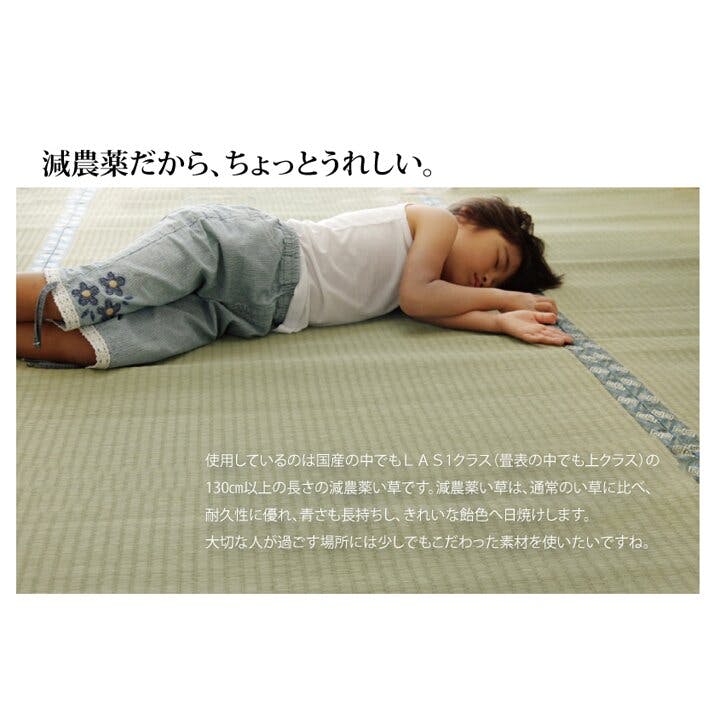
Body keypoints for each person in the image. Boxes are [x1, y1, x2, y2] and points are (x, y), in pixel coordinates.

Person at [16, 196, 573, 370]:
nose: (486, 277)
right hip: (246, 250)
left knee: (112, 346)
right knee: (99, 292)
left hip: (245, 316)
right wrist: (506, 298)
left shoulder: (429, 287)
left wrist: (501, 322)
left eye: (498, 278)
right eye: (497, 259)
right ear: (470, 218)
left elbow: (429, 305)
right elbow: (419, 297)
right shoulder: (436, 222)